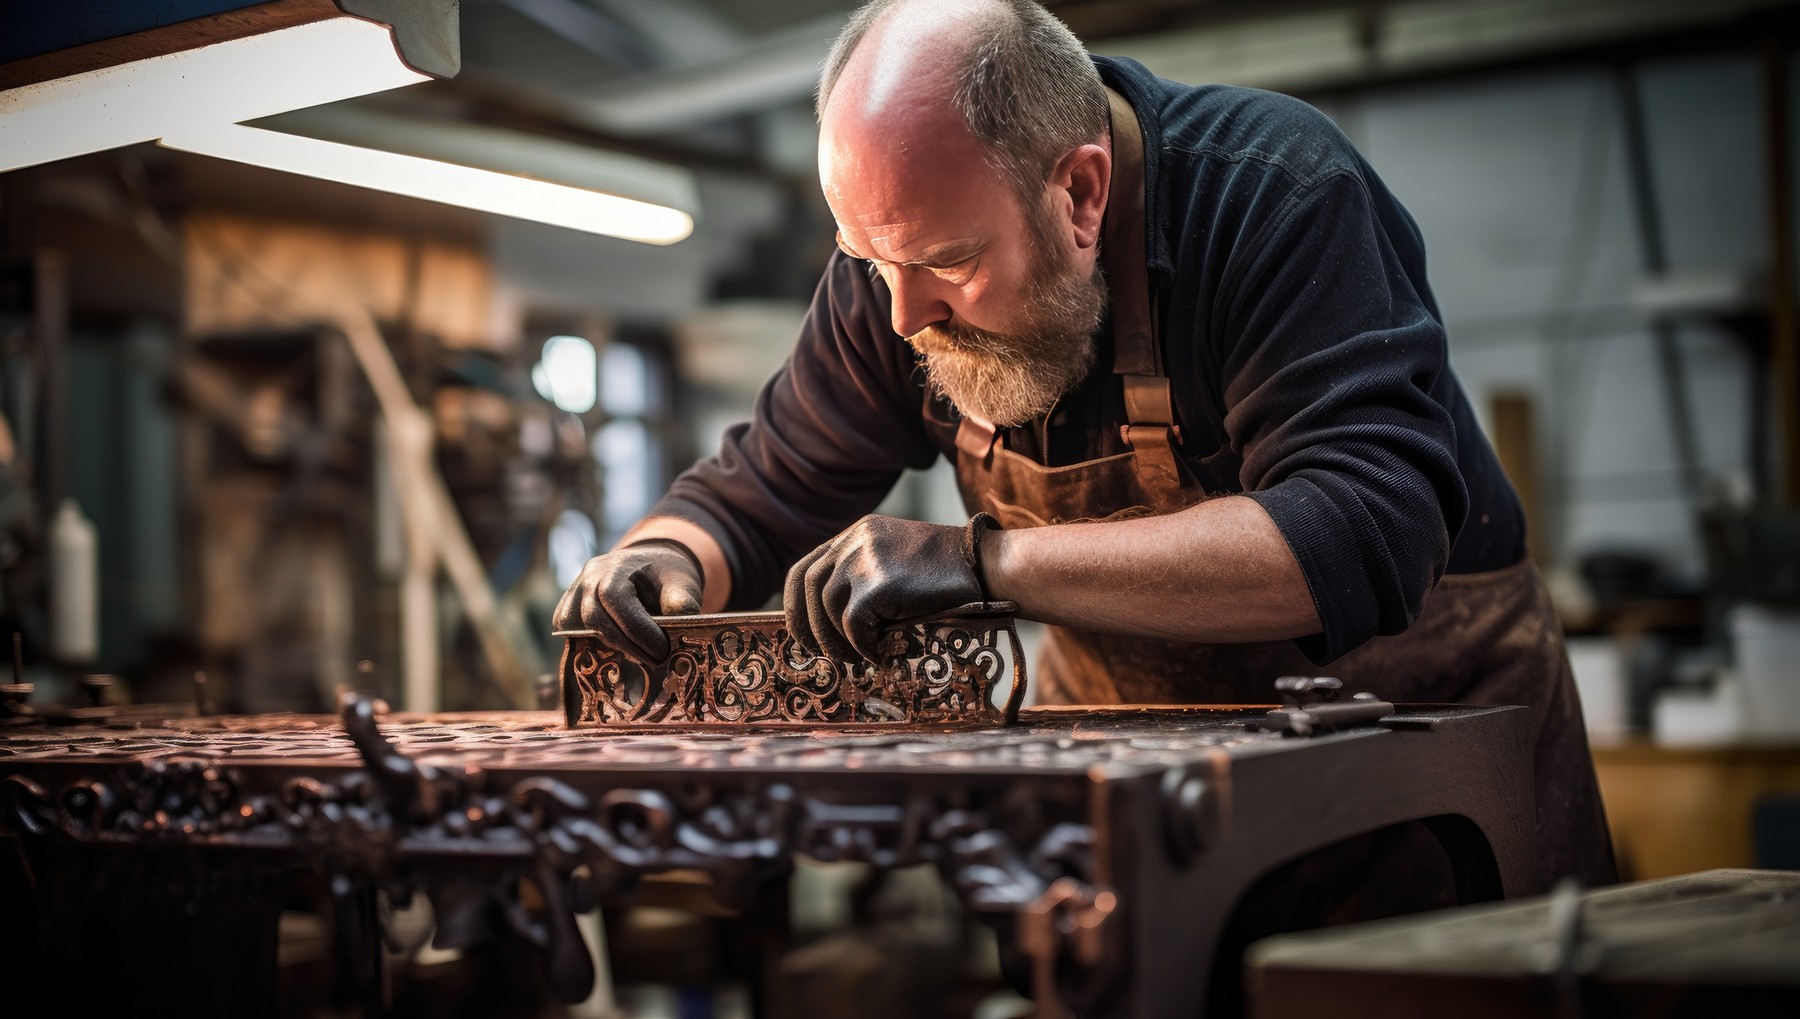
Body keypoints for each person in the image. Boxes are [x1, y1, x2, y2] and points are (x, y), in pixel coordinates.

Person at [553, 0, 1614, 891]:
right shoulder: (898, 262)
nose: (902, 316)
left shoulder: (1276, 196)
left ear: (1082, 193)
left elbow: (1356, 532)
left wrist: (986, 564)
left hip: (1419, 778)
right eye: (868, 260)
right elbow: (767, 485)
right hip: (1144, 801)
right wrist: (665, 555)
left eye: (949, 263)